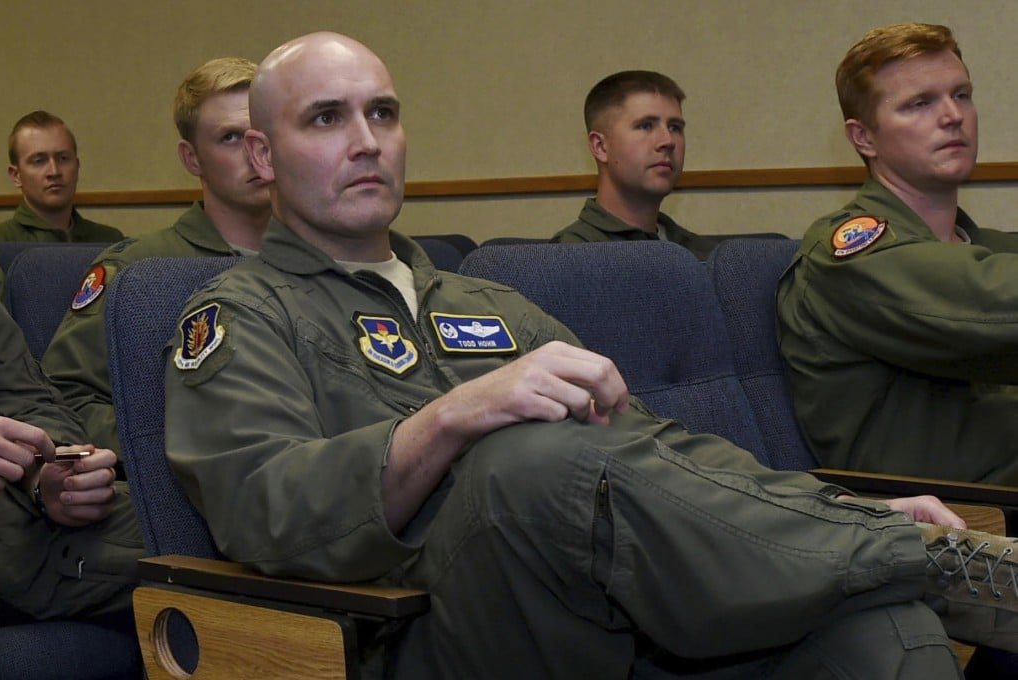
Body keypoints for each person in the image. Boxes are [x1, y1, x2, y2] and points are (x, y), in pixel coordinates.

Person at [164, 32, 1018, 678]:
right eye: (326, 118)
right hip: (423, 624)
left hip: (608, 612)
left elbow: (657, 462)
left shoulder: (486, 301)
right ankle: (943, 568)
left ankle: (908, 562)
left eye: (382, 113)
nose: (366, 140)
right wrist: (455, 416)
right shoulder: (240, 312)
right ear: (265, 156)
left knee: (875, 623)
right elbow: (263, 507)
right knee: (530, 459)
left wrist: (839, 505)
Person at [776, 23, 1018, 487]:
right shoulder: (847, 252)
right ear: (863, 137)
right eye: (920, 103)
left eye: (962, 95)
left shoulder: (985, 245)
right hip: (943, 526)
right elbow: (988, 304)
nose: (953, 115)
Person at [41, 57, 271, 453]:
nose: (253, 152)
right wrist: (173, 450)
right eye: (230, 138)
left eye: (261, 135)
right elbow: (66, 396)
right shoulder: (139, 271)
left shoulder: (325, 257)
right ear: (191, 158)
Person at [0, 268, 141, 624]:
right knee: (229, 560)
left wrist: (45, 470)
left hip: (27, 515)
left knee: (215, 523)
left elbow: (29, 398)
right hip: (18, 549)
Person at [549, 71, 718, 259]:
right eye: (646, 126)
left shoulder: (706, 256)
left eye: (675, 127)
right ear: (601, 146)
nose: (668, 141)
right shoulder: (570, 256)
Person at [0, 111, 123, 243]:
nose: (54, 171)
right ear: (16, 176)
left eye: (63, 158)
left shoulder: (110, 242)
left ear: (77, 167)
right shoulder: (2, 243)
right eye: (39, 161)